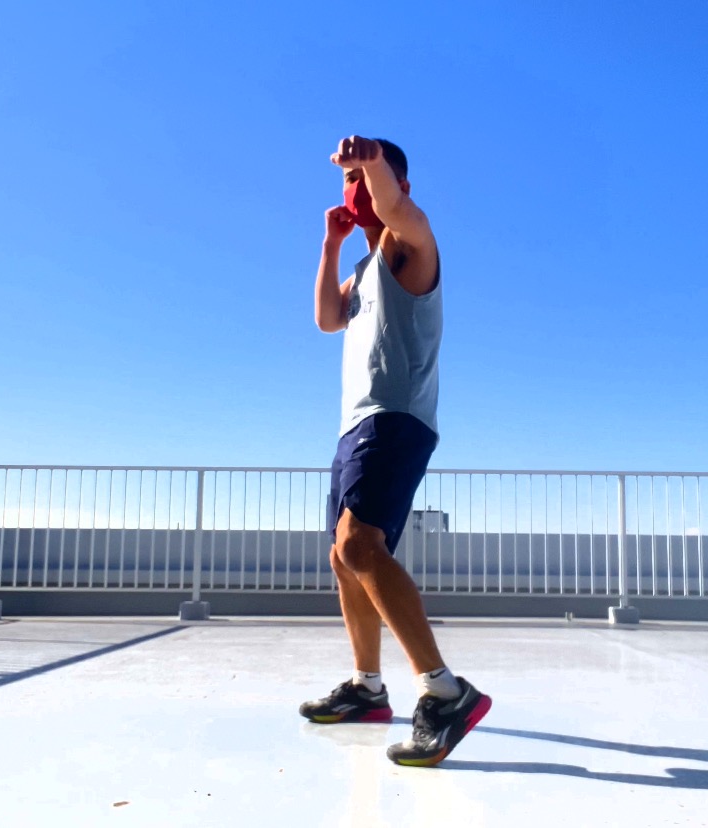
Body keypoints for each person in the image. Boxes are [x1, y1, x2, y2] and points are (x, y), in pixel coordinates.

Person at [299, 135, 492, 767]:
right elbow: (328, 319)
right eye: (348, 180)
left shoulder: (411, 244)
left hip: (396, 416)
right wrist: (330, 245)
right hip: (357, 424)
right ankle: (367, 689)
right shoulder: (362, 271)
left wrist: (372, 161)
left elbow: (390, 205)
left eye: (362, 178)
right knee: (344, 556)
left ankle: (445, 692)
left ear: (397, 185)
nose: (353, 187)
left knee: (360, 546)